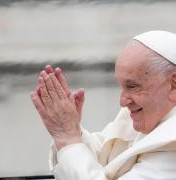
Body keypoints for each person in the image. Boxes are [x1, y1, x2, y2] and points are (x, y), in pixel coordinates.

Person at [31, 30, 176, 180]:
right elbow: (103, 154)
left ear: (173, 84)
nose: (122, 101)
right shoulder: (150, 113)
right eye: (121, 87)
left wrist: (67, 138)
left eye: (132, 86)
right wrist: (72, 129)